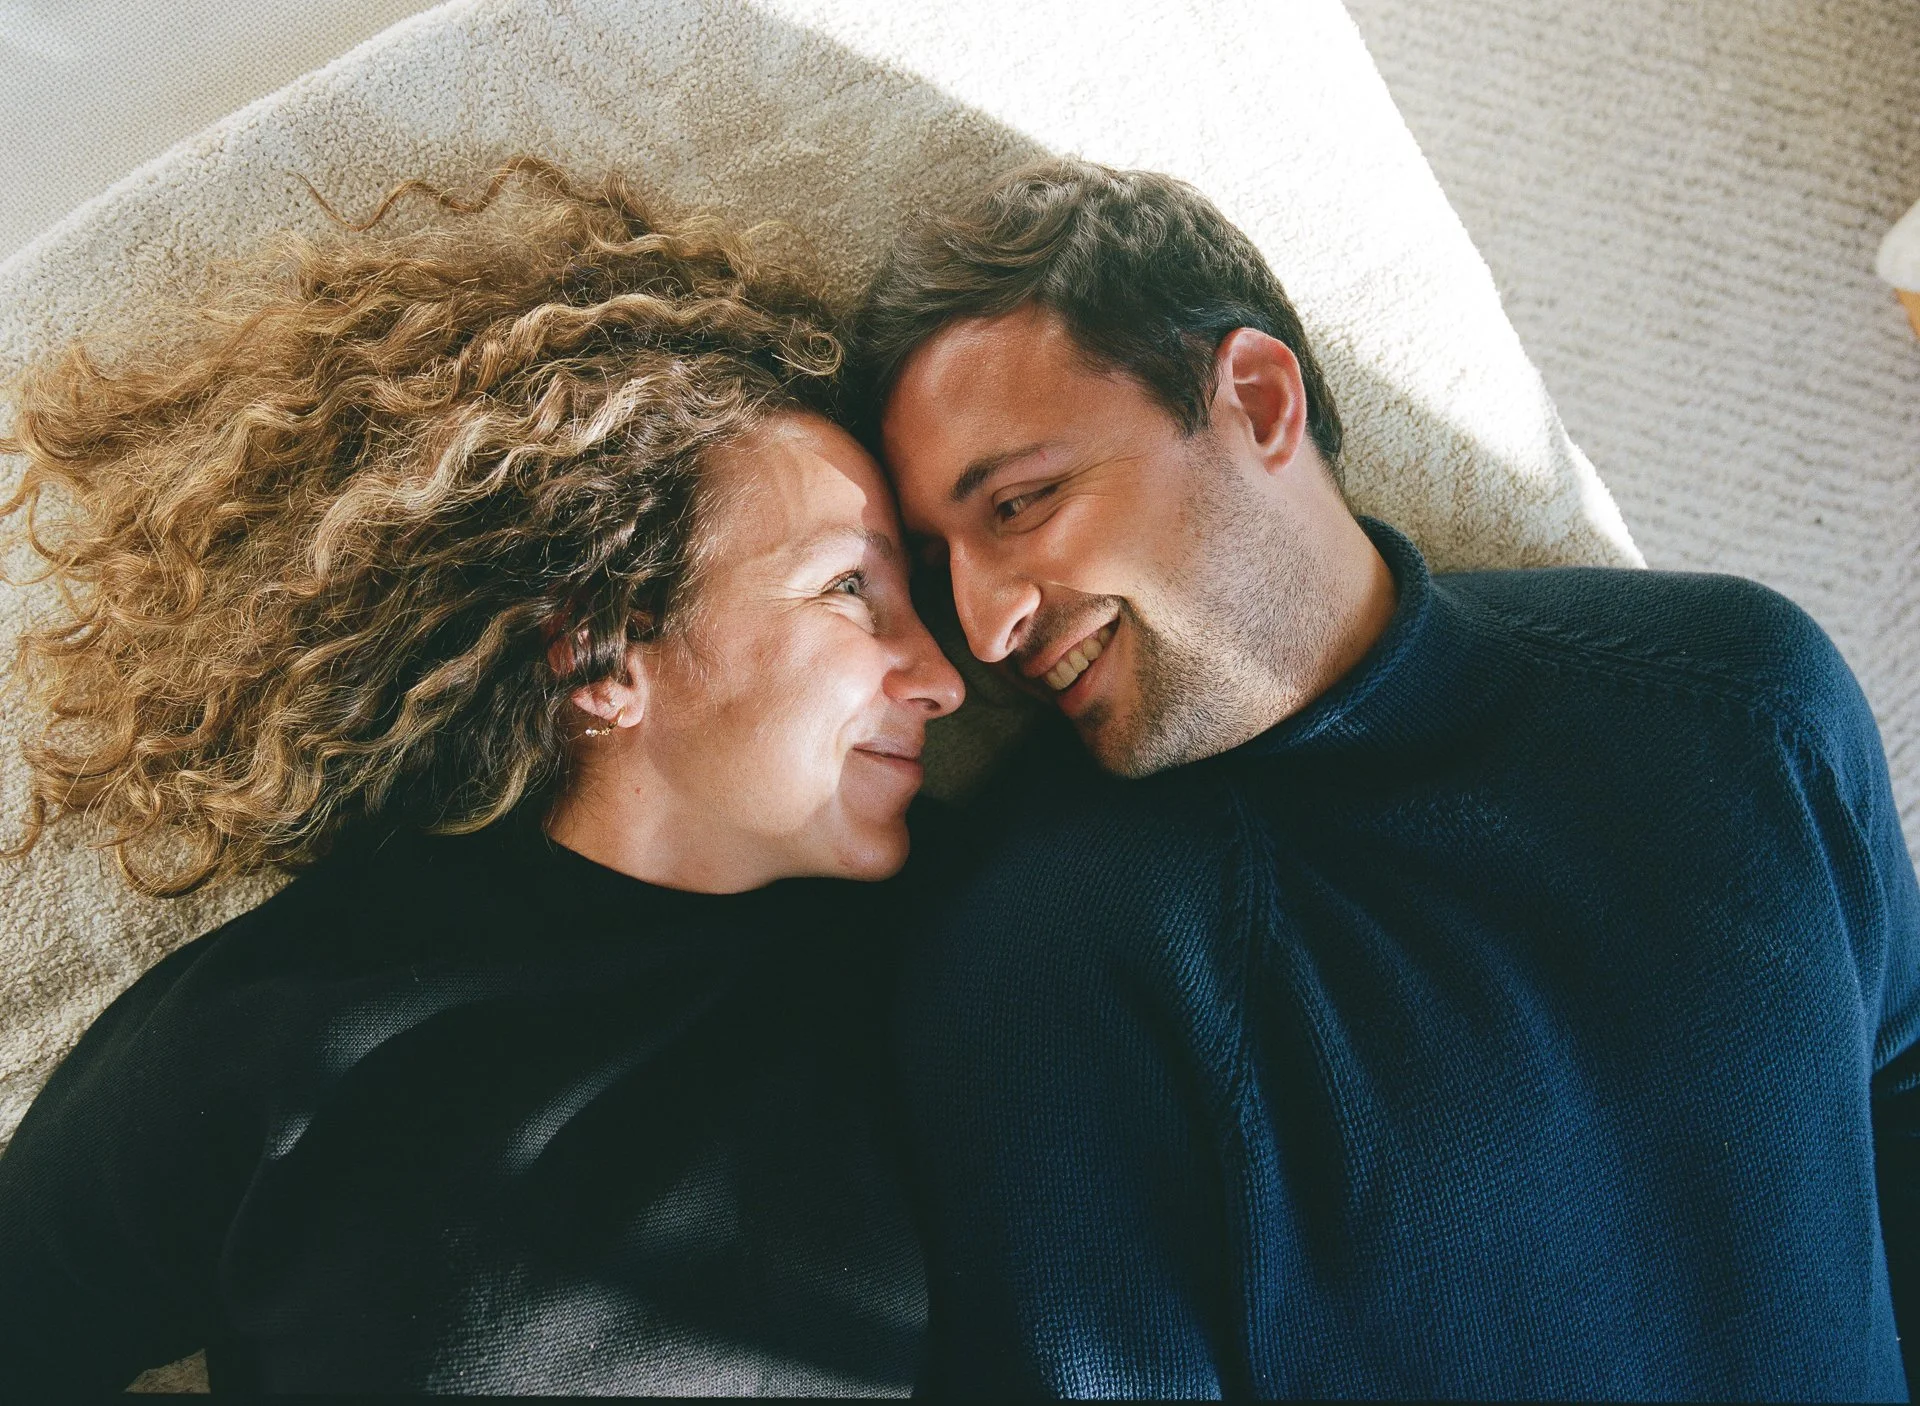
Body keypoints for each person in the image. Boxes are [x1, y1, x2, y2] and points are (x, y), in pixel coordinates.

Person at [859, 157, 1920, 1400]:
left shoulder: (1744, 693)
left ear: (1257, 400)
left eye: (1022, 502)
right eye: (936, 564)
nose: (980, 627)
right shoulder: (1042, 969)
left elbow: (1901, 1074)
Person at [0, 159, 962, 1394]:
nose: (942, 673)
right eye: (850, 587)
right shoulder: (282, 1029)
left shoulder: (974, 943)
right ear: (605, 648)